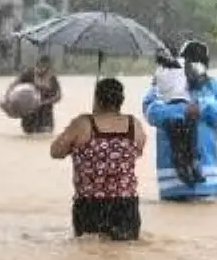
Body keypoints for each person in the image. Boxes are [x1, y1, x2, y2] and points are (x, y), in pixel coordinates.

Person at [50, 78, 147, 241]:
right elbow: (138, 151)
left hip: (90, 205)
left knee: (89, 255)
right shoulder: (134, 125)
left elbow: (55, 151)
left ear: (97, 98)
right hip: (126, 206)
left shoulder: (83, 123)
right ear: (120, 101)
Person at [142, 40, 217, 200]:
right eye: (190, 60)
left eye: (199, 61)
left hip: (210, 183)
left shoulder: (214, 87)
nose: (194, 65)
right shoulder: (164, 85)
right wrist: (183, 110)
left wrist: (201, 108)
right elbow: (151, 112)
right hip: (172, 186)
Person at [152, 46, 203, 186]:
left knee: (176, 144)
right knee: (190, 141)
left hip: (167, 110)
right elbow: (196, 82)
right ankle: (193, 167)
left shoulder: (158, 72)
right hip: (185, 108)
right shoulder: (183, 64)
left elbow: (154, 91)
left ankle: (183, 170)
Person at [14, 55, 62, 135]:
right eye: (39, 66)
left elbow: (58, 96)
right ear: (36, 65)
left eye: (44, 67)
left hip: (45, 115)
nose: (41, 69)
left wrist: (44, 102)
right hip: (29, 113)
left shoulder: (52, 78)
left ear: (48, 68)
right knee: (29, 135)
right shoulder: (28, 74)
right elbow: (15, 85)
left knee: (45, 135)